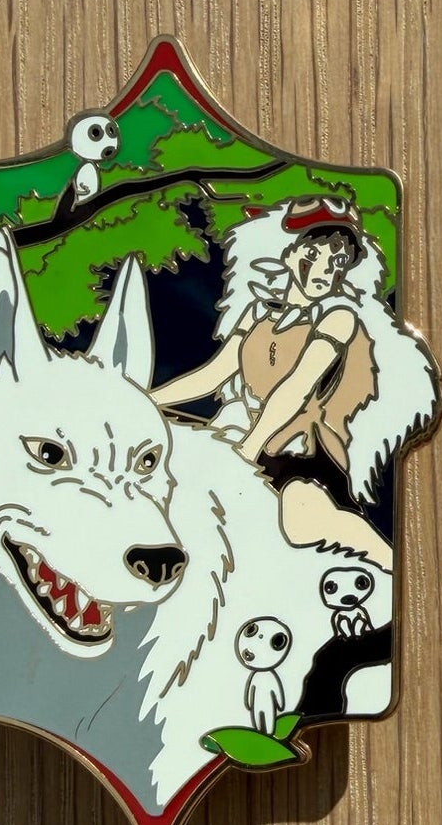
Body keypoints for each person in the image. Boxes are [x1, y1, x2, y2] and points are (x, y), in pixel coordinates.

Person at [152, 199, 395, 566]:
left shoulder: (338, 318)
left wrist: (249, 448)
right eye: (314, 254)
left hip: (300, 449)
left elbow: (298, 386)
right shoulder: (258, 312)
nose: (325, 270)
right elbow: (212, 375)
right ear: (289, 253)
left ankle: (387, 567)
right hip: (240, 432)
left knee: (299, 520)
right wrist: (145, 399)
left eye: (338, 262)